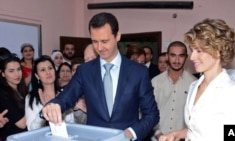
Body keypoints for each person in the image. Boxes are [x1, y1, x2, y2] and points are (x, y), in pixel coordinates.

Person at [41, 12, 159, 141]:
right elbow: (65, 98)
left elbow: (152, 114)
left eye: (104, 41)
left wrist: (129, 133)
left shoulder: (138, 72)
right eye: (94, 41)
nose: (99, 47)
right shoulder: (84, 71)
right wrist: (54, 105)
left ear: (117, 36)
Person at [159, 18, 235, 141]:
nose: (192, 57)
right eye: (192, 50)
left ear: (218, 52)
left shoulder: (231, 91)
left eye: (199, 51)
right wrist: (175, 134)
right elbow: (195, 129)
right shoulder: (194, 86)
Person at [151, 41, 197, 140]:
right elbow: (149, 112)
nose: (177, 60)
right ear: (167, 56)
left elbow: (196, 118)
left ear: (186, 57)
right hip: (157, 138)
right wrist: (158, 134)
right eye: (173, 55)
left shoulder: (194, 84)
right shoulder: (155, 82)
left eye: (181, 56)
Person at [25, 55, 75, 131]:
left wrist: (59, 111)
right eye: (43, 70)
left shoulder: (63, 94)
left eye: (50, 68)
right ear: (37, 75)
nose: (48, 72)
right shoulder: (31, 97)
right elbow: (31, 129)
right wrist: (44, 110)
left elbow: (71, 124)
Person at [0, 54, 27, 141]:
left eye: (18, 69)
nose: (17, 74)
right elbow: (22, 124)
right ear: (3, 73)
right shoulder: (3, 94)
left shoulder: (21, 90)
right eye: (11, 71)